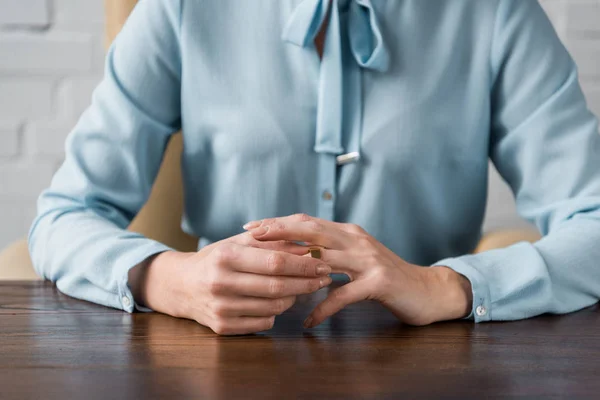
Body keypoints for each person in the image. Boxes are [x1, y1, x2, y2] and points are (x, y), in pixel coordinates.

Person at [29, 0, 600, 335]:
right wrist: (167, 279)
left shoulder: (496, 13)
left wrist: (447, 286)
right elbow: (63, 217)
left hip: (427, 369)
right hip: (215, 367)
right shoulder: (181, 8)